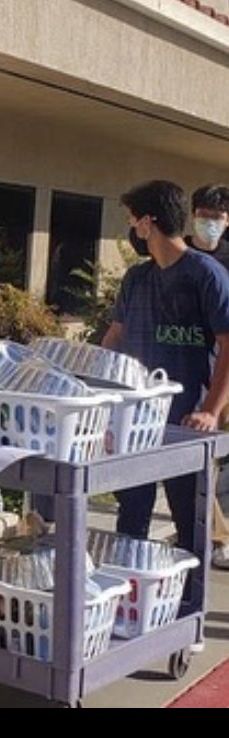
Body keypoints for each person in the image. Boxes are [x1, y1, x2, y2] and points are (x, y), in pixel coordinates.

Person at [102, 180, 229, 555]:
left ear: (147, 223)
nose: (132, 229)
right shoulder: (137, 278)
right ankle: (132, 599)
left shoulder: (206, 274)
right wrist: (91, 387)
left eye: (132, 220)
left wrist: (210, 411)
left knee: (189, 520)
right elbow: (114, 337)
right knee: (131, 518)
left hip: (187, 420)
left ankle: (189, 603)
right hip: (137, 422)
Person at [184, 183, 229, 570]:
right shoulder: (180, 254)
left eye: (216, 217)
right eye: (203, 215)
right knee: (204, 454)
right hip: (197, 367)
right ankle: (218, 537)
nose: (209, 223)